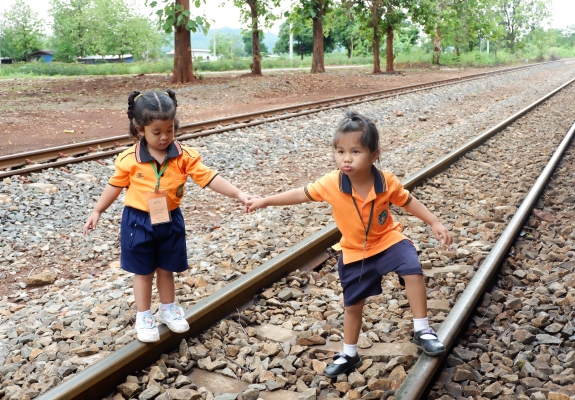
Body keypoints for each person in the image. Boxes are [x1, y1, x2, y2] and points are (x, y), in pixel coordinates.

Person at [247, 111, 453, 377]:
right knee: (353, 305)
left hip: (388, 240)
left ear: (374, 155)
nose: (346, 158)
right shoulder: (331, 183)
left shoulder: (386, 181)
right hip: (355, 251)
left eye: (355, 151)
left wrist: (434, 222)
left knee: (412, 268)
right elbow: (301, 194)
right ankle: (349, 354)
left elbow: (408, 201)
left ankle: (422, 330)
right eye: (340, 151)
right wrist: (265, 201)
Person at [83, 90, 252, 343]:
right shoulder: (129, 159)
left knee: (166, 267)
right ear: (140, 130)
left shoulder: (184, 156)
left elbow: (208, 177)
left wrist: (238, 193)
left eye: (169, 130)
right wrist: (98, 210)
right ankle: (143, 316)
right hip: (138, 221)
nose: (164, 137)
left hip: (170, 218)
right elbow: (114, 186)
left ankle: (167, 308)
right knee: (143, 271)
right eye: (157, 132)